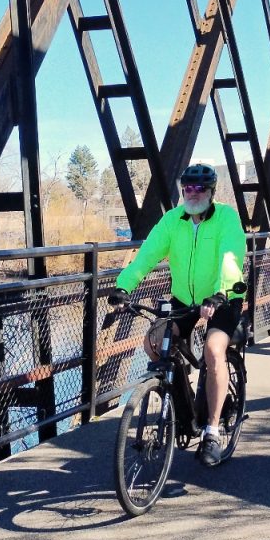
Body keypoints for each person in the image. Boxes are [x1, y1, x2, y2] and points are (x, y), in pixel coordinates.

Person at [108, 163, 246, 467]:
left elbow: (230, 255)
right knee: (154, 343)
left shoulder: (226, 217)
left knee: (213, 349)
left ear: (211, 191)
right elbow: (147, 255)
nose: (193, 193)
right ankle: (179, 401)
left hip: (223, 297)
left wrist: (221, 291)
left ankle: (211, 430)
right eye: (188, 188)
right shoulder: (173, 220)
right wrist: (123, 287)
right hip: (185, 299)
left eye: (200, 189)